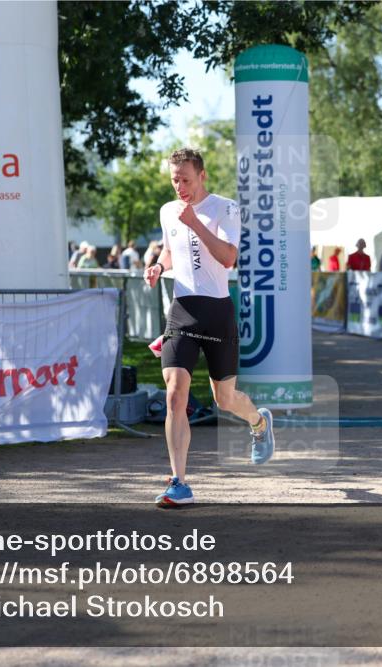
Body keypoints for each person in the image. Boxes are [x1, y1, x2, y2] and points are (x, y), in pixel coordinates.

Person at [143, 147, 274, 507]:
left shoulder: (226, 208)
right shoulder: (169, 210)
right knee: (175, 393)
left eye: (185, 179)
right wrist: (157, 266)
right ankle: (178, 482)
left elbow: (229, 258)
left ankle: (259, 423)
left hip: (217, 312)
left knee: (225, 399)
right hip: (182, 309)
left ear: (202, 175)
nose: (179, 187)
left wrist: (196, 223)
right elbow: (170, 252)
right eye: (174, 180)